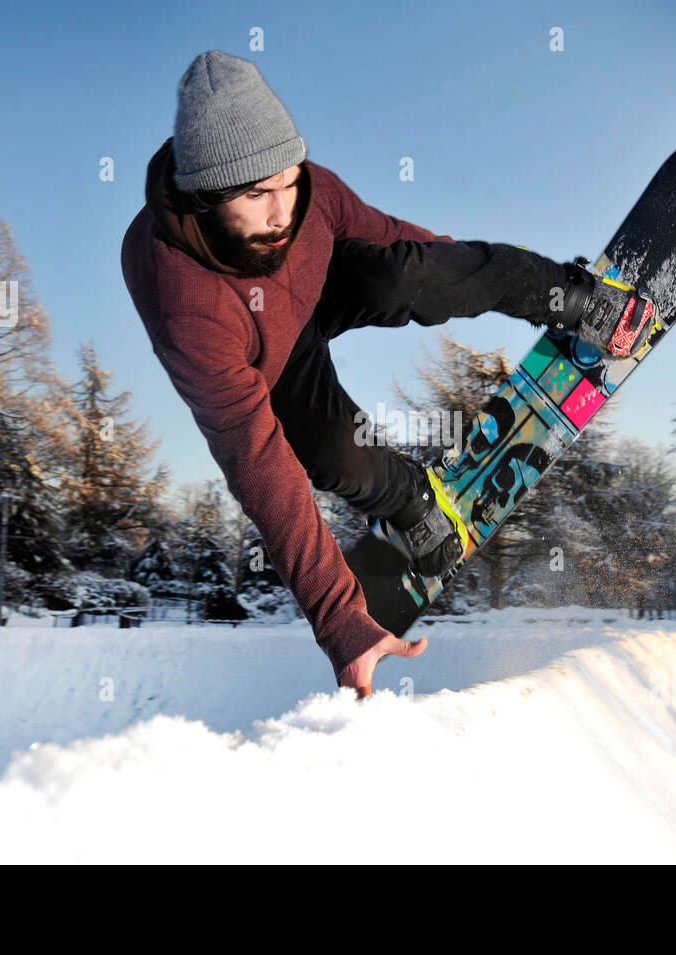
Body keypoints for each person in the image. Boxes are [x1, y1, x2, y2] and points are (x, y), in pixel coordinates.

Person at [120, 50, 640, 696]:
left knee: (410, 272)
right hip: (267, 361)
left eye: (287, 181)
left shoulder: (310, 195)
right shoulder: (185, 304)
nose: (282, 211)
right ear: (206, 195)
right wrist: (340, 619)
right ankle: (412, 502)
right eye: (257, 196)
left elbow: (399, 242)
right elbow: (258, 466)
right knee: (340, 456)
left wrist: (471, 278)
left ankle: (573, 296)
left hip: (318, 290)